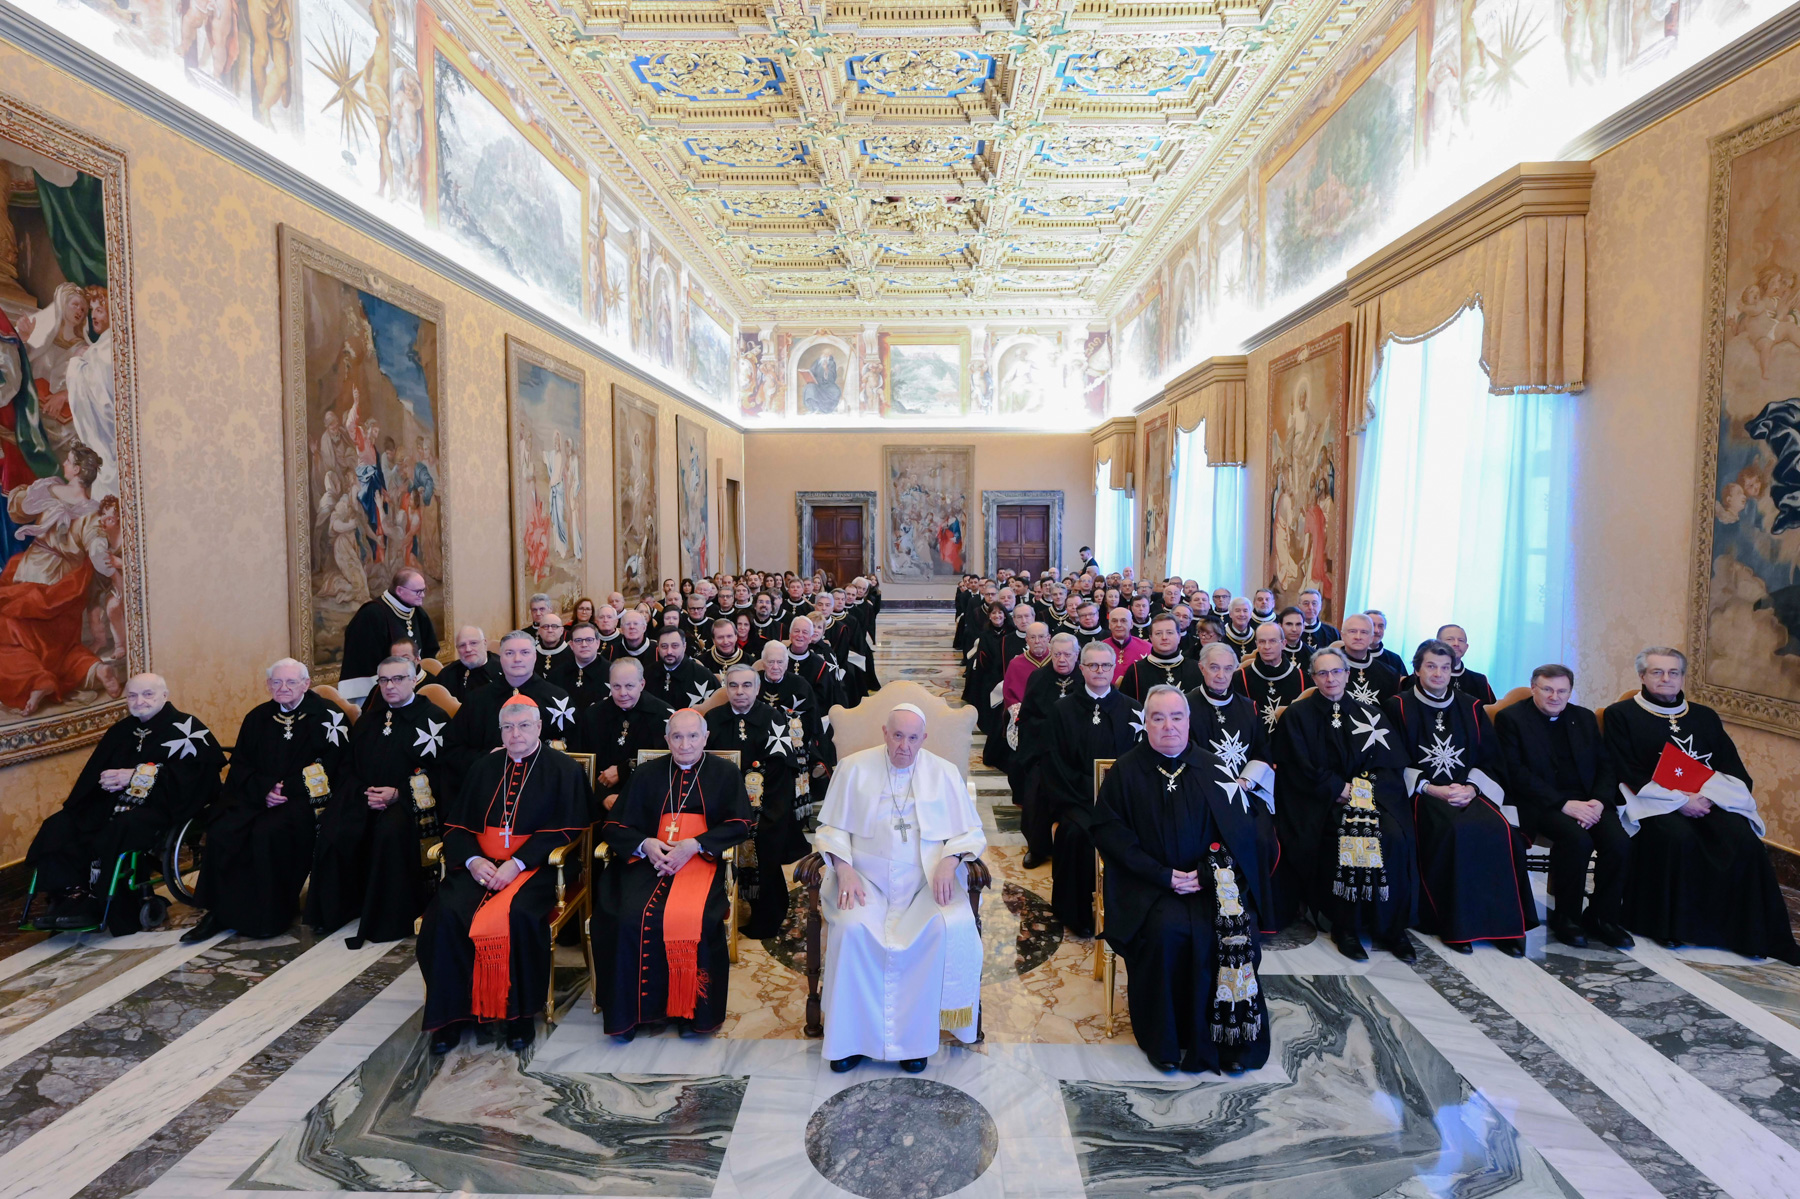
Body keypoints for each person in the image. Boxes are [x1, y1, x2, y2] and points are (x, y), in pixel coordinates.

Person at [1091, 687, 1273, 1074]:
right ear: (1145, 723)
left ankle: (1231, 1041)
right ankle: (1167, 1041)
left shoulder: (1215, 769)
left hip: (1209, 882)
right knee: (1166, 933)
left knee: (1229, 931)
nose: (1168, 726)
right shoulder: (1125, 772)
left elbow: (1242, 834)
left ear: (1189, 722)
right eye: (1157, 718)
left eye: (1176, 717)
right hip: (1148, 887)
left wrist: (1205, 875)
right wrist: (1164, 876)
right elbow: (1111, 835)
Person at [816, 704, 985, 1073]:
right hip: (866, 880)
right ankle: (849, 1041)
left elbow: (970, 832)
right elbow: (830, 830)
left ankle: (913, 1043)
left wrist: (949, 861)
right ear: (884, 732)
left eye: (912, 738)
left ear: (923, 739)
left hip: (924, 884)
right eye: (897, 736)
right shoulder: (854, 768)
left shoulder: (944, 773)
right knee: (851, 928)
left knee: (938, 929)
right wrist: (844, 870)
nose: (904, 746)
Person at [419, 695, 592, 1053]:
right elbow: (456, 825)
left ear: (539, 728)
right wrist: (472, 861)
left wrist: (518, 862)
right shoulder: (484, 767)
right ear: (500, 731)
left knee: (519, 915)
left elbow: (569, 828)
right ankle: (452, 1016)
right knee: (446, 914)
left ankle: (518, 1016)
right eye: (508, 727)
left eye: (524, 725)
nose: (516, 734)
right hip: (481, 865)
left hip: (538, 868)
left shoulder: (564, 769)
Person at [1603, 647, 1799, 963]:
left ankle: (1750, 933)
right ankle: (1671, 926)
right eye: (1657, 672)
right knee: (1678, 837)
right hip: (1654, 801)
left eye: (1674, 672)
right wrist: (1680, 801)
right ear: (1642, 676)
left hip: (1708, 798)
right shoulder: (1620, 715)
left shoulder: (1704, 717)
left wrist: (1706, 796)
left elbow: (1729, 765)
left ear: (1682, 677)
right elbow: (1625, 769)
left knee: (1743, 839)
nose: (1666, 679)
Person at [598, 709, 754, 1039]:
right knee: (628, 917)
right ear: (667, 739)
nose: (685, 744)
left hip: (699, 861)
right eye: (677, 736)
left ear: (705, 738)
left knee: (693, 919)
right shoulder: (646, 773)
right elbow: (613, 825)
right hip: (648, 863)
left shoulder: (725, 773)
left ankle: (691, 1014)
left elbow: (740, 823)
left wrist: (696, 844)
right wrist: (644, 844)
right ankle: (630, 1014)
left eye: (693, 736)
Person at [26, 673, 221, 933]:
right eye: (132, 695)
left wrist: (134, 775)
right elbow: (91, 778)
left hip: (162, 806)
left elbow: (195, 780)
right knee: (59, 824)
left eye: (148, 694)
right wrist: (105, 783)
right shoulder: (120, 731)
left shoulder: (187, 729)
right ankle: (69, 895)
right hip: (113, 803)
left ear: (164, 695)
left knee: (118, 829)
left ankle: (101, 900)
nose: (139, 701)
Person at [1386, 639, 1533, 956]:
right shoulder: (1397, 706)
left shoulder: (1471, 707)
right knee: (1456, 832)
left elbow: (1491, 759)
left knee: (1501, 831)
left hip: (1467, 790)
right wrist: (1431, 788)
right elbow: (1392, 762)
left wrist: (1472, 788)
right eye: (1430, 666)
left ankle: (1504, 927)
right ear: (1417, 669)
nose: (1438, 674)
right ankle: (1458, 926)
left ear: (1453, 670)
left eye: (1444, 667)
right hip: (1422, 793)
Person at [183, 659, 348, 942]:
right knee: (224, 828)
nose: (283, 688)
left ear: (306, 684)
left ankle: (268, 915)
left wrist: (287, 790)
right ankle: (219, 911)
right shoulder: (257, 717)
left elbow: (334, 765)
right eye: (276, 682)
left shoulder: (328, 716)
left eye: (291, 682)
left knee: (266, 832)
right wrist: (264, 790)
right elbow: (242, 765)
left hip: (306, 799)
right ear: (268, 685)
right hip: (260, 795)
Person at [1272, 647, 1417, 962]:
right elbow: (1296, 768)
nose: (1330, 678)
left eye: (1336, 671)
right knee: (1344, 835)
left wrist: (1363, 790)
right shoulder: (1298, 716)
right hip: (1322, 802)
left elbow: (1389, 764)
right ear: (1313, 678)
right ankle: (1346, 926)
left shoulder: (1371, 713)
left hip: (1372, 797)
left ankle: (1391, 927)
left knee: (1391, 836)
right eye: (1322, 673)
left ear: (1347, 674)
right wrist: (1337, 788)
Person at [306, 656, 451, 947]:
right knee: (334, 828)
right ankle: (336, 910)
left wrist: (398, 793)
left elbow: (445, 771)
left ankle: (387, 919)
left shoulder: (434, 719)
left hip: (411, 802)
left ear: (413, 680)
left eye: (398, 679)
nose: (390, 686)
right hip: (365, 796)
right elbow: (349, 766)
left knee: (389, 832)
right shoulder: (369, 720)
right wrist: (366, 793)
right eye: (383, 680)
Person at [1496, 664, 1630, 949]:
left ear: (1570, 691)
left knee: (1618, 842)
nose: (1555, 697)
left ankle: (1602, 917)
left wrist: (1598, 801)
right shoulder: (1511, 719)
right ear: (1534, 688)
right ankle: (1566, 918)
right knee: (1577, 840)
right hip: (1540, 802)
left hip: (1588, 800)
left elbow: (1606, 765)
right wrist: (1564, 804)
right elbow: (1516, 774)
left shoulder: (1582, 717)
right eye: (1547, 689)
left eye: (1562, 691)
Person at [1045, 641, 1145, 936]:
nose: (1100, 671)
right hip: (1077, 801)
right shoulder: (1062, 710)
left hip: (1123, 803)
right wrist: (1088, 798)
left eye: (1106, 665)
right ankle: (1076, 916)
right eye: (1093, 665)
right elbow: (1055, 764)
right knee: (1075, 836)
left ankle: (1130, 912)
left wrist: (1116, 799)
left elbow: (1138, 763)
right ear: (1082, 668)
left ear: (1115, 669)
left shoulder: (1133, 709)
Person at [706, 664, 808, 938]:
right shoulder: (713, 720)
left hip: (766, 805)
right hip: (720, 805)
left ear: (758, 688)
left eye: (747, 685)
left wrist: (763, 815)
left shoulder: (773, 718)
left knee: (766, 843)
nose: (740, 692)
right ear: (726, 688)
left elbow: (780, 773)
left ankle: (766, 917)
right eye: (734, 685)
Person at [444, 631, 577, 791]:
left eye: (525, 652)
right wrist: (488, 756)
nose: (517, 659)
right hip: (489, 786)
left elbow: (574, 752)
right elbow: (452, 750)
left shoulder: (558, 699)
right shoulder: (477, 700)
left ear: (535, 656)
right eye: (509, 653)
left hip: (544, 787)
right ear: (500, 657)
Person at [572, 657, 675, 814]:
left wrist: (624, 771)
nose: (622, 693)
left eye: (629, 686)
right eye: (616, 686)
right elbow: (582, 764)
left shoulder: (664, 716)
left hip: (648, 801)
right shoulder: (593, 716)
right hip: (600, 801)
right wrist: (603, 797)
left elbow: (667, 763)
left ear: (642, 684)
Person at [1014, 631, 1080, 869]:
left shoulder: (1085, 677)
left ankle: (1072, 846)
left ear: (1077, 656)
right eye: (1057, 654)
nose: (1062, 659)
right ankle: (1037, 847)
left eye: (1067, 654)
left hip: (1076, 755)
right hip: (1042, 751)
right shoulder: (1038, 677)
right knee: (1036, 793)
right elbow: (1027, 716)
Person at [340, 569, 438, 681]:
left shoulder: (417, 612)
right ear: (400, 591)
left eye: (424, 590)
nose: (423, 595)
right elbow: (364, 662)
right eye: (418, 591)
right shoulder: (371, 615)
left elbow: (429, 649)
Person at [1234, 623, 1308, 734]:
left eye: (1273, 641)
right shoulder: (1239, 678)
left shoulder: (1303, 679)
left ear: (1283, 644)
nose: (1267, 647)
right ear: (1256, 645)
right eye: (1262, 641)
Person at [1118, 613, 1203, 700]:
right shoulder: (1136, 671)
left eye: (1170, 632)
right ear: (1151, 637)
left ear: (1179, 636)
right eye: (1158, 633)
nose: (1164, 637)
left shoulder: (1196, 668)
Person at [1334, 613, 1400, 707]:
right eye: (1352, 631)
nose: (1358, 637)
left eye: (1364, 632)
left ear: (1371, 638)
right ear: (1342, 635)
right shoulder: (1327, 670)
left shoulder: (1389, 675)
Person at [647, 626, 720, 710]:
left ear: (684, 646)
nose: (669, 651)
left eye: (675, 646)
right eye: (664, 646)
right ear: (658, 648)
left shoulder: (704, 677)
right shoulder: (647, 674)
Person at [440, 626, 500, 700]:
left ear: (484, 643)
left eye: (473, 643)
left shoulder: (503, 669)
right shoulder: (448, 674)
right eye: (462, 645)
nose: (468, 649)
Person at [564, 621, 608, 710]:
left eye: (589, 640)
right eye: (578, 640)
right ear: (571, 645)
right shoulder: (559, 674)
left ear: (597, 643)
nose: (584, 645)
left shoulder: (611, 673)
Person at [534, 613, 575, 687]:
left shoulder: (572, 655)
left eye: (554, 626)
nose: (550, 630)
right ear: (539, 631)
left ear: (562, 630)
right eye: (545, 627)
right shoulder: (532, 654)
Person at [1365, 609, 1407, 678]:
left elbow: (1404, 686)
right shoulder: (1348, 655)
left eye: (1380, 626)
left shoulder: (1395, 659)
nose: (1376, 630)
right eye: (1372, 625)